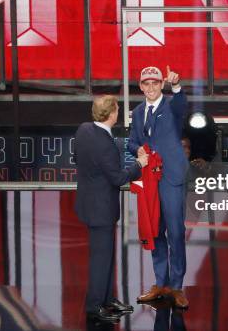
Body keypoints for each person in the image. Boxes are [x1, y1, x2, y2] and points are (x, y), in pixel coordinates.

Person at [75, 95, 149, 323]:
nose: (119, 112)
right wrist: (139, 165)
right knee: (101, 259)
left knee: (105, 256)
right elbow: (117, 178)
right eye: (117, 109)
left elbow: (77, 157)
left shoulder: (84, 130)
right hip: (101, 209)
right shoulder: (104, 144)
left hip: (90, 204)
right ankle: (95, 306)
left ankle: (107, 299)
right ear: (112, 114)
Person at [128, 65, 189, 309]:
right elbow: (132, 142)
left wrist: (176, 86)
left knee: (175, 231)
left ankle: (176, 286)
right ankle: (160, 282)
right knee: (154, 230)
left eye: (155, 83)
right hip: (150, 179)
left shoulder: (171, 106)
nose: (151, 87)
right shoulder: (138, 111)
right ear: (141, 86)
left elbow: (182, 105)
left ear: (161, 85)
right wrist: (137, 149)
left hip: (171, 177)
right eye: (147, 83)